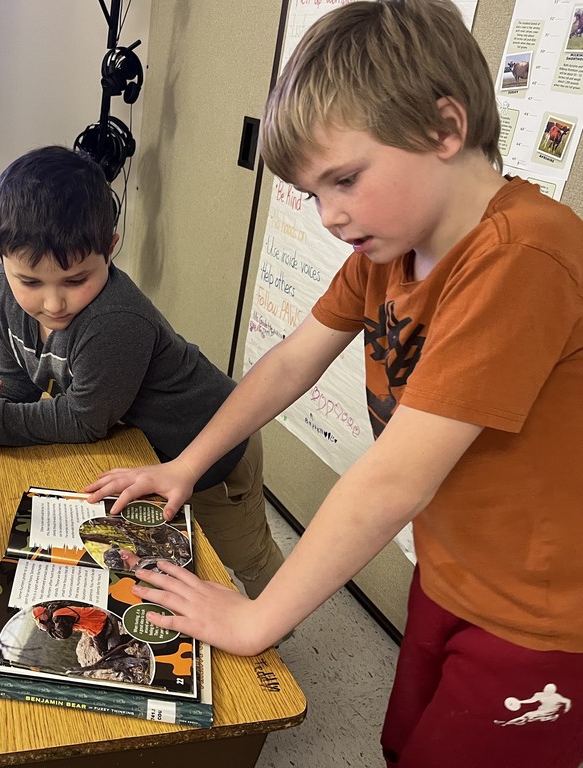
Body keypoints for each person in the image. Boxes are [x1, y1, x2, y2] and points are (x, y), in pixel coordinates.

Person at [84, 1, 583, 765]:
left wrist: (256, 621)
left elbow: (391, 484)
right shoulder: (388, 251)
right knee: (405, 742)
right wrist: (186, 464)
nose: (329, 216)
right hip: (454, 570)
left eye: (344, 180)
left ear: (446, 128)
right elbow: (291, 361)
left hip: (545, 617)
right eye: (316, 194)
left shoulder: (524, 256)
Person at [0, 144, 284, 600]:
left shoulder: (116, 319)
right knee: (166, 553)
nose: (54, 303)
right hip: (143, 449)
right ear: (0, 254)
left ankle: (277, 624)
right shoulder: (0, 289)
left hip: (213, 448)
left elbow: (84, 419)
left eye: (77, 280)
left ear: (111, 249)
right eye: (31, 281)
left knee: (241, 553)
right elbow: (20, 383)